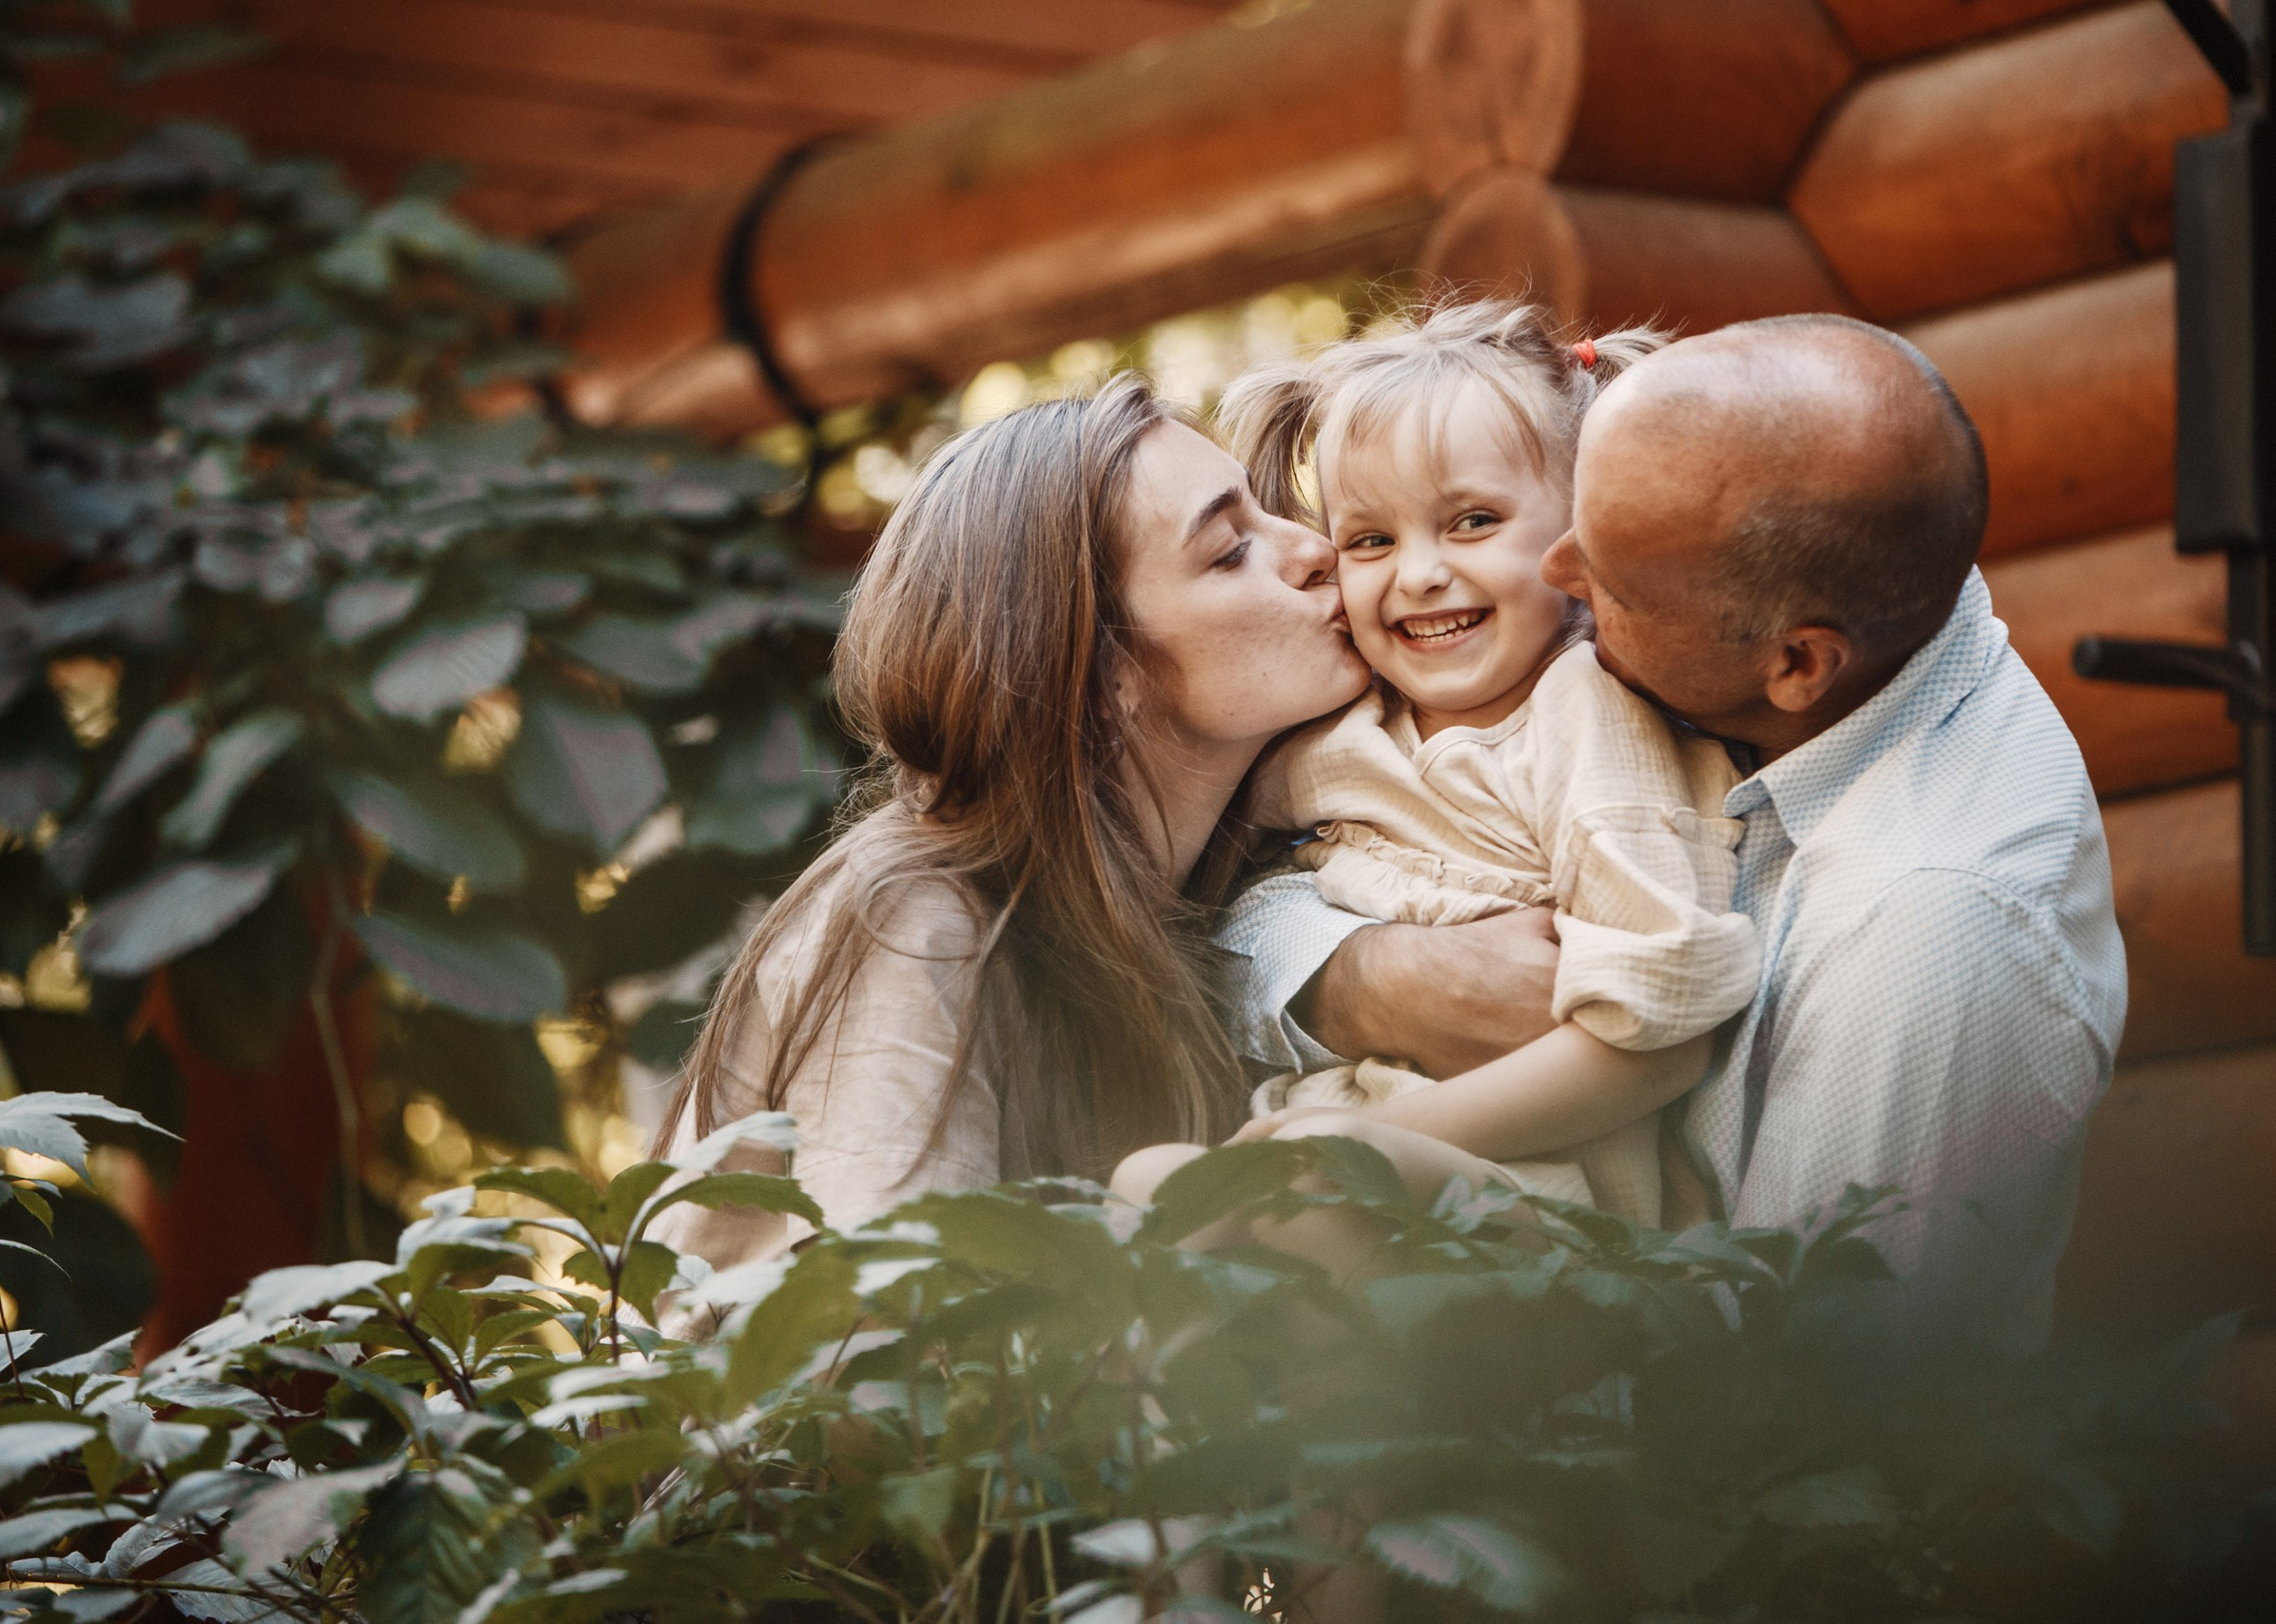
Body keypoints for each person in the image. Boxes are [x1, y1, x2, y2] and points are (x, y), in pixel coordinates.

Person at [1223, 313, 2127, 1351]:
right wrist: (1355, 971)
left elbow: (1816, 1388)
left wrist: (1355, 1151)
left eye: (1607, 578)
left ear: (1796, 667)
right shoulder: (1794, 556)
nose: (1559, 575)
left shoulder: (1926, 942)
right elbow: (1262, 882)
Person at [647, 376, 1370, 1274]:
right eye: (1230, 551)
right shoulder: (919, 917)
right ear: (1104, 677)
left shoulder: (1192, 897)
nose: (1315, 547)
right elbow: (882, 1350)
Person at [1112, 302, 1758, 1224]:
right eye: (1371, 540)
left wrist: (1373, 1147)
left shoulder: (1588, 722)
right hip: (1335, 1150)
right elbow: (1204, 893)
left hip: (1531, 1195)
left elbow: (1664, 1035)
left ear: (1581, 541)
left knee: (1286, 1216)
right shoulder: (1346, 721)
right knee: (1138, 1188)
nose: (1415, 574)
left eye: (1470, 522)